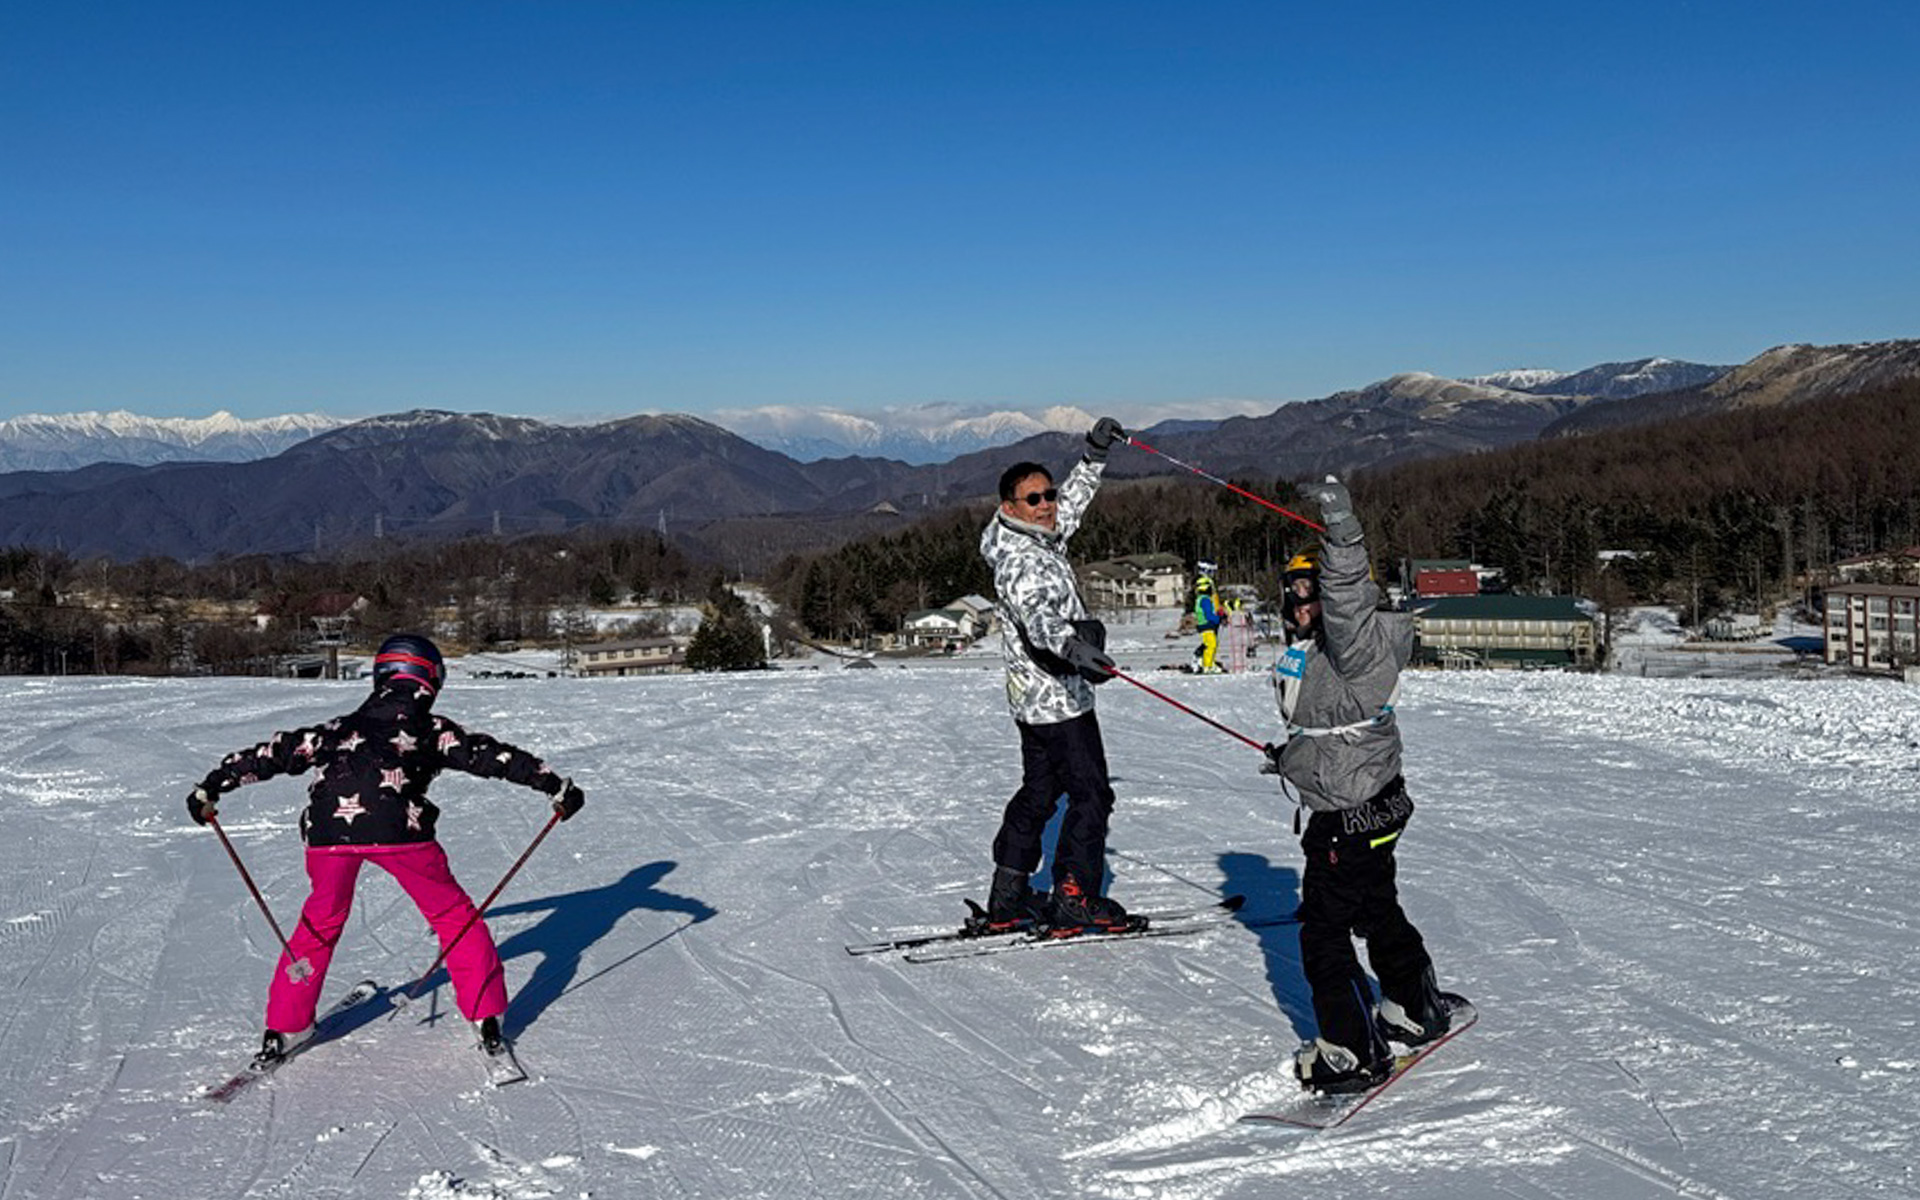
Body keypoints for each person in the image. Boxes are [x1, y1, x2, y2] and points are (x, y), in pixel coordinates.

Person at [185, 634, 586, 1067]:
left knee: (320, 922)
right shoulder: (430, 729)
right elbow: (492, 757)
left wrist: (211, 786)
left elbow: (274, 753)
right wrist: (555, 786)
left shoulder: (338, 729)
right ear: (430, 679)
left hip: (327, 836)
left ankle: (286, 1025)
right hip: (401, 832)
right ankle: (485, 1014)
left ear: (381, 676)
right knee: (454, 917)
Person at [1263, 479, 1462, 1094]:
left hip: (1347, 816)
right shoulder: (1333, 653)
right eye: (1293, 591)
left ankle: (1350, 1048)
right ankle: (1414, 1004)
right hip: (1375, 802)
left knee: (1322, 930)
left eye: (1311, 590)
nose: (1302, 602)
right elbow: (1337, 733)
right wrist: (1293, 760)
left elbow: (1348, 595)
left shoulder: (1353, 642)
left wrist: (1341, 528)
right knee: (1375, 907)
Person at [978, 416, 1135, 935]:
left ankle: (1008, 893)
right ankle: (1075, 894)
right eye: (1035, 499)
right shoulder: (1023, 561)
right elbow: (1037, 616)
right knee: (1092, 794)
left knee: (1040, 792)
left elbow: (1073, 507)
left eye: (1049, 494)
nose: (1047, 505)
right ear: (1010, 508)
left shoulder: (1033, 533)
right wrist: (1073, 647)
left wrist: (1093, 455)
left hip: (1033, 700)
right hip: (1058, 699)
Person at [1193, 575, 1223, 673]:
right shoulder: (1205, 600)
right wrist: (1218, 618)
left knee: (1210, 644)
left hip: (1203, 625)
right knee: (1211, 645)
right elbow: (1208, 614)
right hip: (1207, 625)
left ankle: (1209, 663)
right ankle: (1207, 665)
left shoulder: (1199, 599)